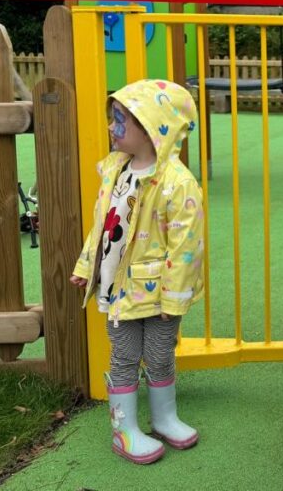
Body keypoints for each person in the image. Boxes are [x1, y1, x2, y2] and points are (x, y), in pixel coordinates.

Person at [70, 79, 204, 465]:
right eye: (114, 120)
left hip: (158, 293)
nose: (112, 128)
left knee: (160, 355)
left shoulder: (178, 184)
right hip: (118, 290)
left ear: (152, 128)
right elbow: (103, 226)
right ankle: (124, 429)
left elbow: (186, 246)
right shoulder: (115, 170)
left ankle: (164, 417)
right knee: (124, 357)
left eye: (121, 121)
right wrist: (87, 267)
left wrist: (174, 299)